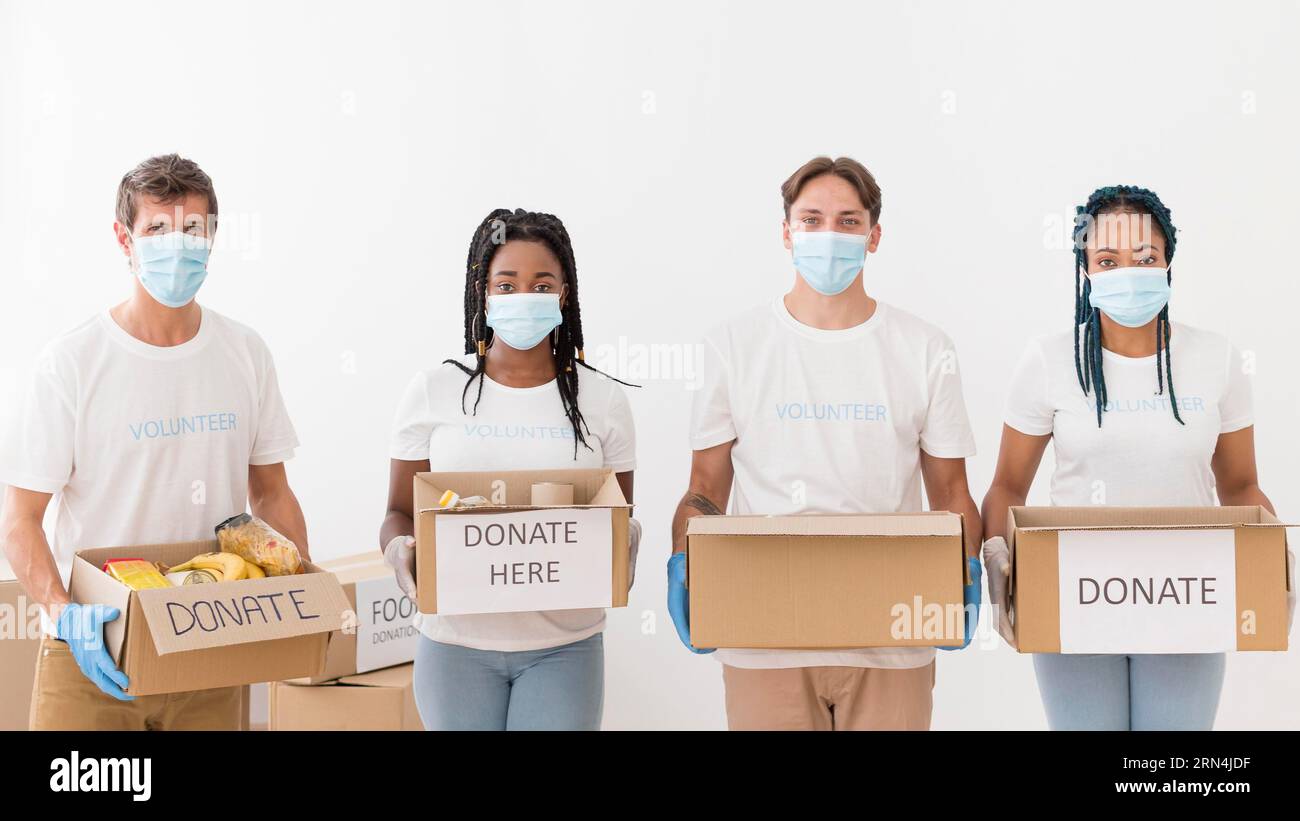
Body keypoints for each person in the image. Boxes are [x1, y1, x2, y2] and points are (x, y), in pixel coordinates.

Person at [667, 156, 983, 731]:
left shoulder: (924, 348)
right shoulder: (732, 346)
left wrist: (965, 566)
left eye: (847, 220)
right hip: (764, 635)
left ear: (874, 236)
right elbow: (705, 489)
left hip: (893, 634)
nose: (829, 235)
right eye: (811, 220)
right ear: (786, 233)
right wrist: (684, 560)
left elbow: (952, 491)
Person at [0, 153, 307, 730]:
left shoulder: (244, 353)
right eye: (157, 229)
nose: (177, 244)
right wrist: (62, 614)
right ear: (125, 238)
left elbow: (271, 493)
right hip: (94, 654)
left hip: (209, 645)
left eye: (192, 229)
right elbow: (20, 518)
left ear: (213, 237)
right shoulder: (72, 363)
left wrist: (297, 599)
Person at [980, 185, 1281, 730]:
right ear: (1086, 269)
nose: (1128, 272)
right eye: (1108, 260)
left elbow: (1239, 486)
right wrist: (1001, 559)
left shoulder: (1215, 357)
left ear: (1168, 263)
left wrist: (1274, 558)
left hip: (1190, 594)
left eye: (1145, 258)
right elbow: (1007, 486)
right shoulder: (1050, 360)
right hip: (1073, 593)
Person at [381, 208, 638, 731]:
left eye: (542, 284)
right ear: (484, 293)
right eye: (508, 283)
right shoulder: (435, 391)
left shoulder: (603, 400)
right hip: (455, 645)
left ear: (564, 294)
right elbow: (398, 512)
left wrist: (626, 540)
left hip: (565, 647)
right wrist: (400, 549)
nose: (526, 295)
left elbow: (614, 516)